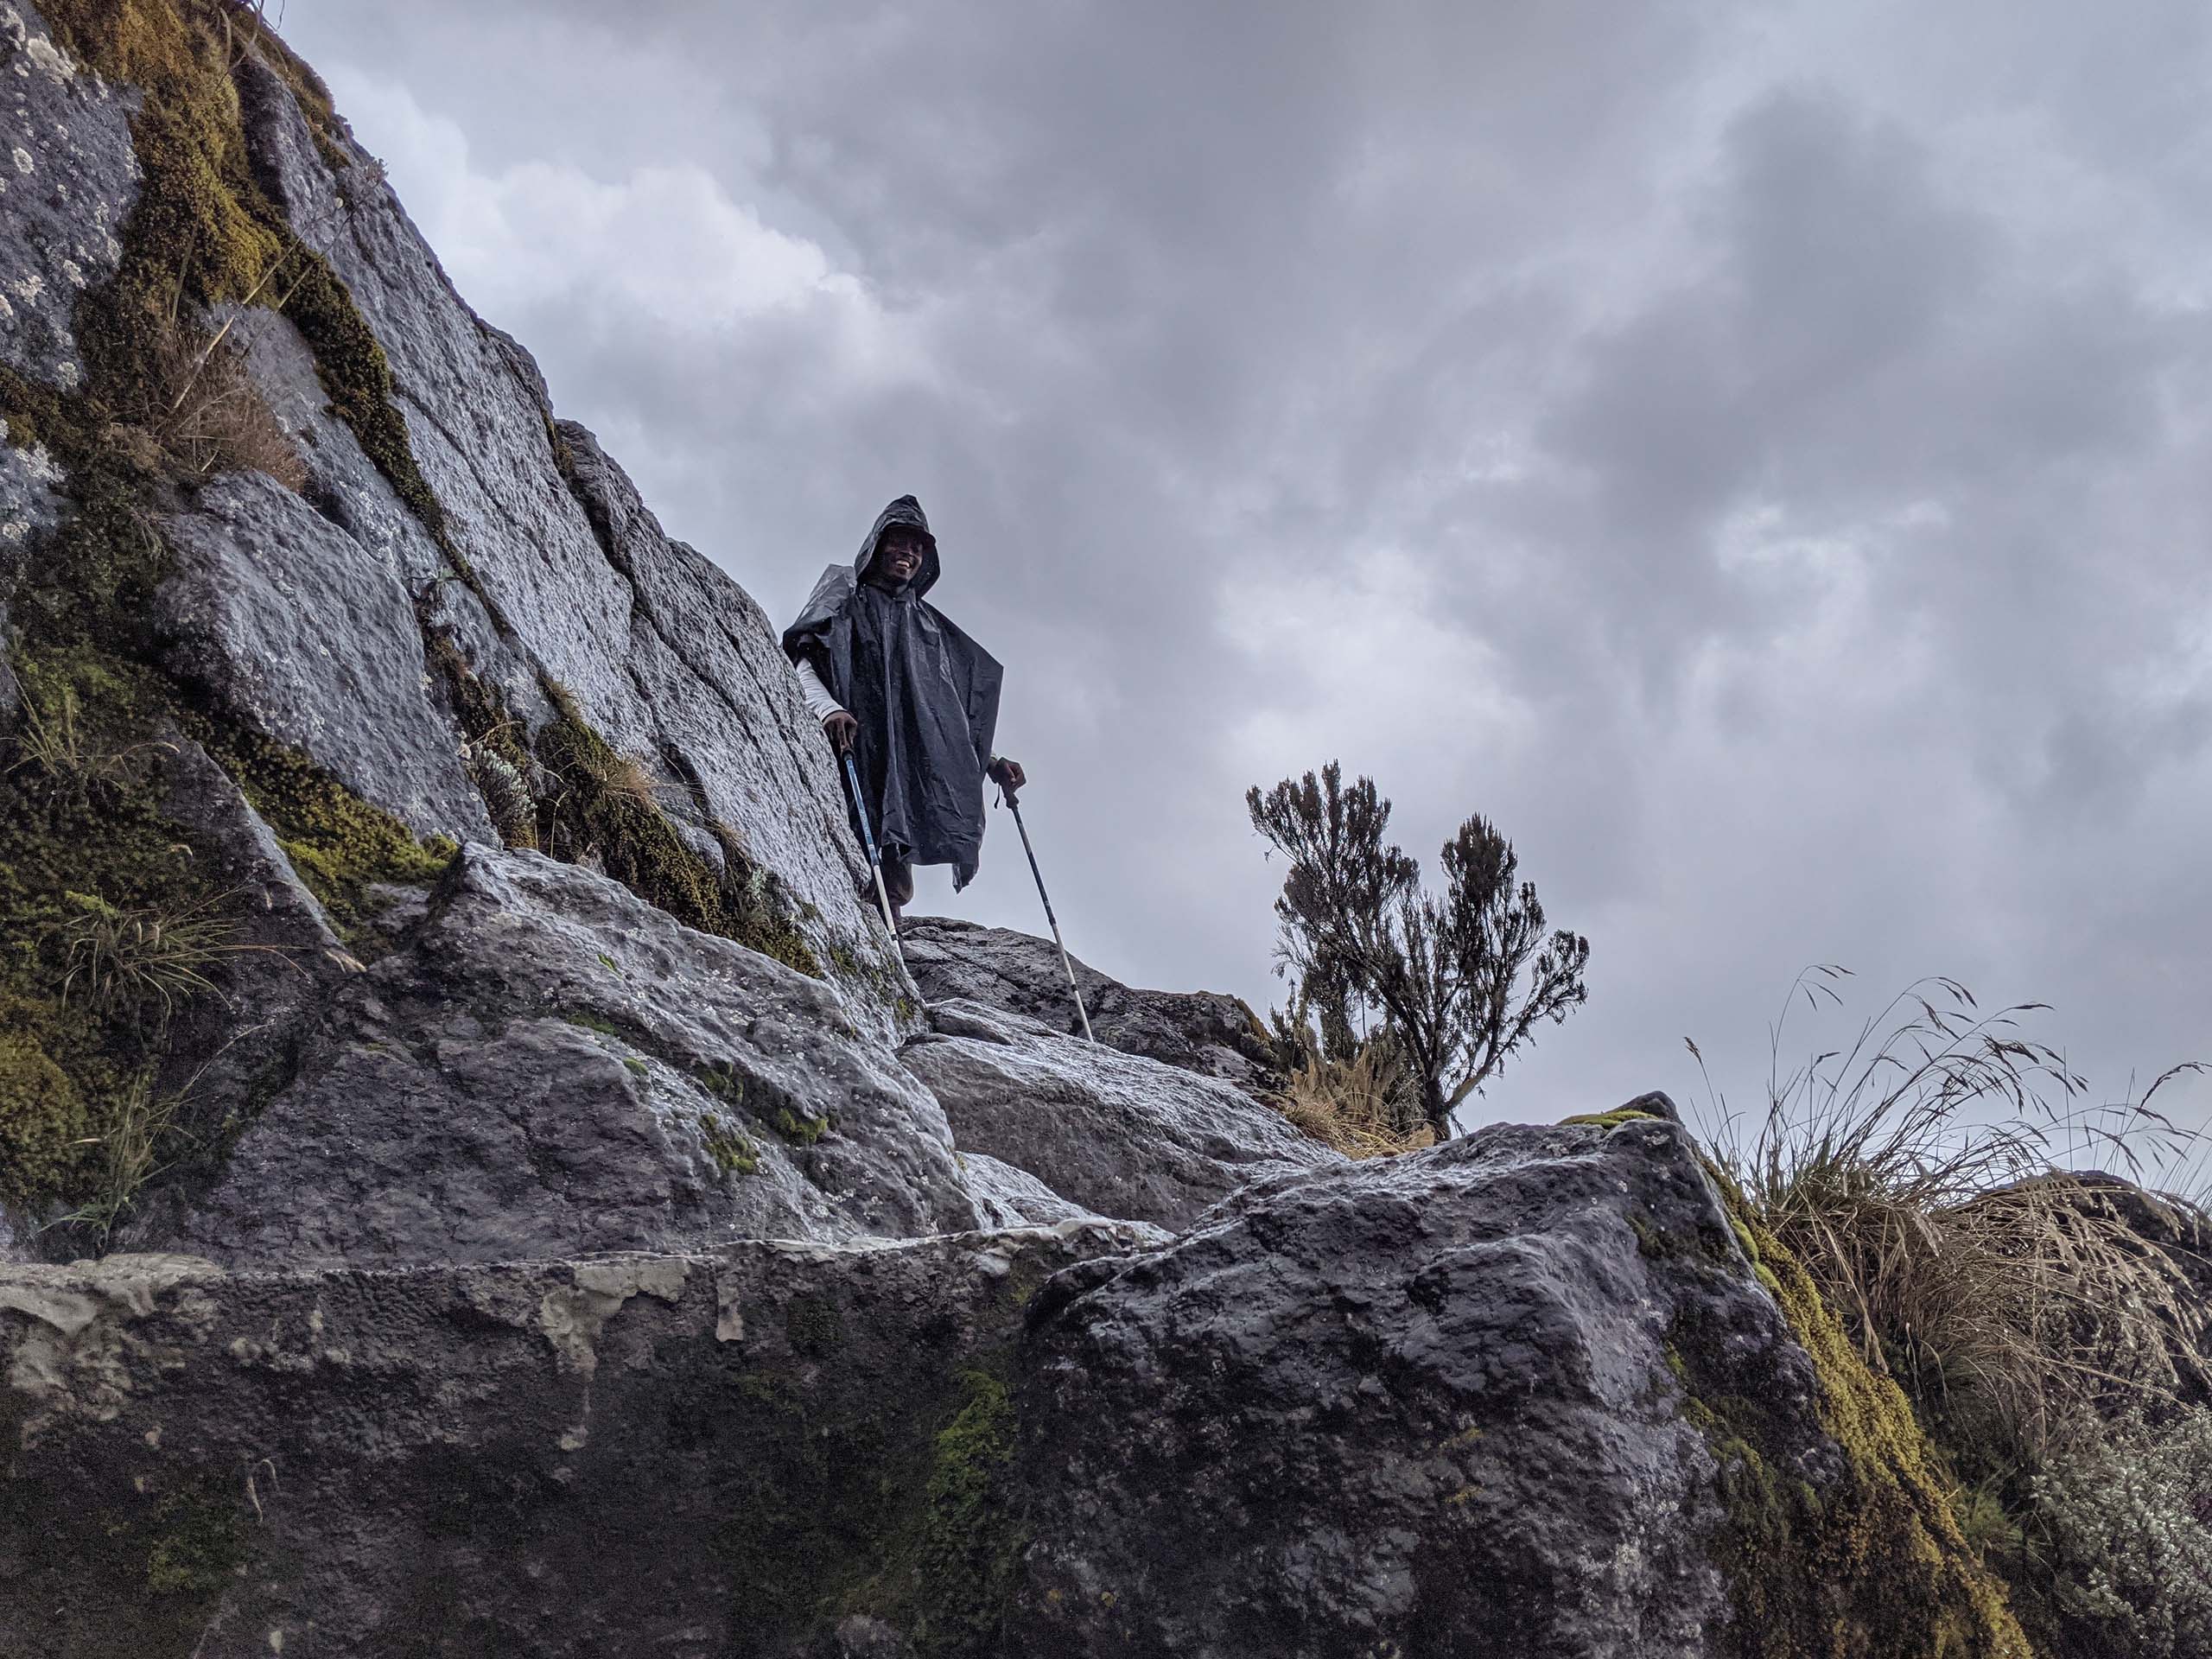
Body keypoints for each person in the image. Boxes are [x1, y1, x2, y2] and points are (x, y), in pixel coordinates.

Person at [782, 496, 1025, 925]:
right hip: (847, 747)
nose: (908, 554)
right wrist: (827, 708)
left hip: (901, 769)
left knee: (892, 865)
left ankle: (884, 952)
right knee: (848, 844)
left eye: (918, 548)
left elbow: (944, 713)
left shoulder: (926, 627)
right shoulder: (845, 596)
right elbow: (804, 655)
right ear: (878, 544)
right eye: (900, 542)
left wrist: (990, 762)